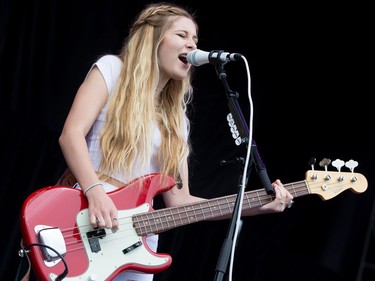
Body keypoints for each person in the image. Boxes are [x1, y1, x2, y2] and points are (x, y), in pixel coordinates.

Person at [58, 2, 294, 281]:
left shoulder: (177, 121)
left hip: (135, 243)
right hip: (86, 214)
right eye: (182, 35)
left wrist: (255, 205)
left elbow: (179, 202)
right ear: (153, 39)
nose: (192, 45)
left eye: (195, 39)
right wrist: (95, 192)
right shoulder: (112, 70)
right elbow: (71, 134)